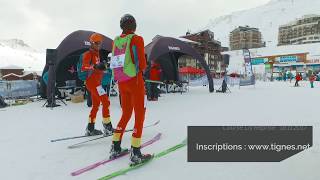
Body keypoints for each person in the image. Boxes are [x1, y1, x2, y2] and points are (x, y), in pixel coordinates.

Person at [109, 14, 151, 165]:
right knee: (140, 114)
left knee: (126, 113)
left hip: (122, 81)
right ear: (134, 25)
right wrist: (145, 66)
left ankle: (115, 146)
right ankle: (136, 150)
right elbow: (141, 63)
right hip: (135, 81)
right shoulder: (136, 39)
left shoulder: (117, 41)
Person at [81, 33, 113, 136]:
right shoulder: (88, 54)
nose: (98, 45)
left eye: (100, 43)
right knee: (106, 102)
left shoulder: (97, 54)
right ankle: (107, 126)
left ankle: (90, 128)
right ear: (91, 43)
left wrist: (103, 68)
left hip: (97, 82)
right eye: (96, 43)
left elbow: (97, 68)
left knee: (96, 105)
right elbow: (84, 67)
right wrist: (95, 66)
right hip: (92, 83)